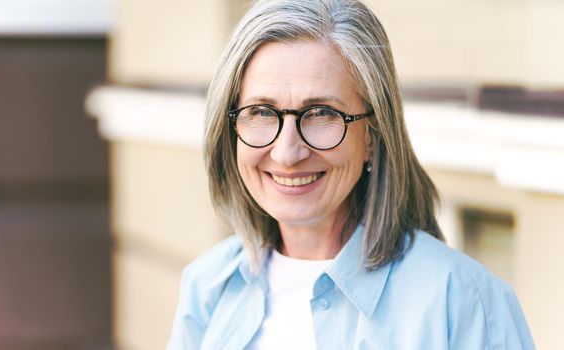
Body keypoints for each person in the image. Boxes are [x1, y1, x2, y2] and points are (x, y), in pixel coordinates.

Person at [167, 0, 535, 349]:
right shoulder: (208, 287)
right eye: (262, 112)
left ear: (372, 136)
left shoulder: (465, 302)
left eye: (323, 113)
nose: (287, 152)